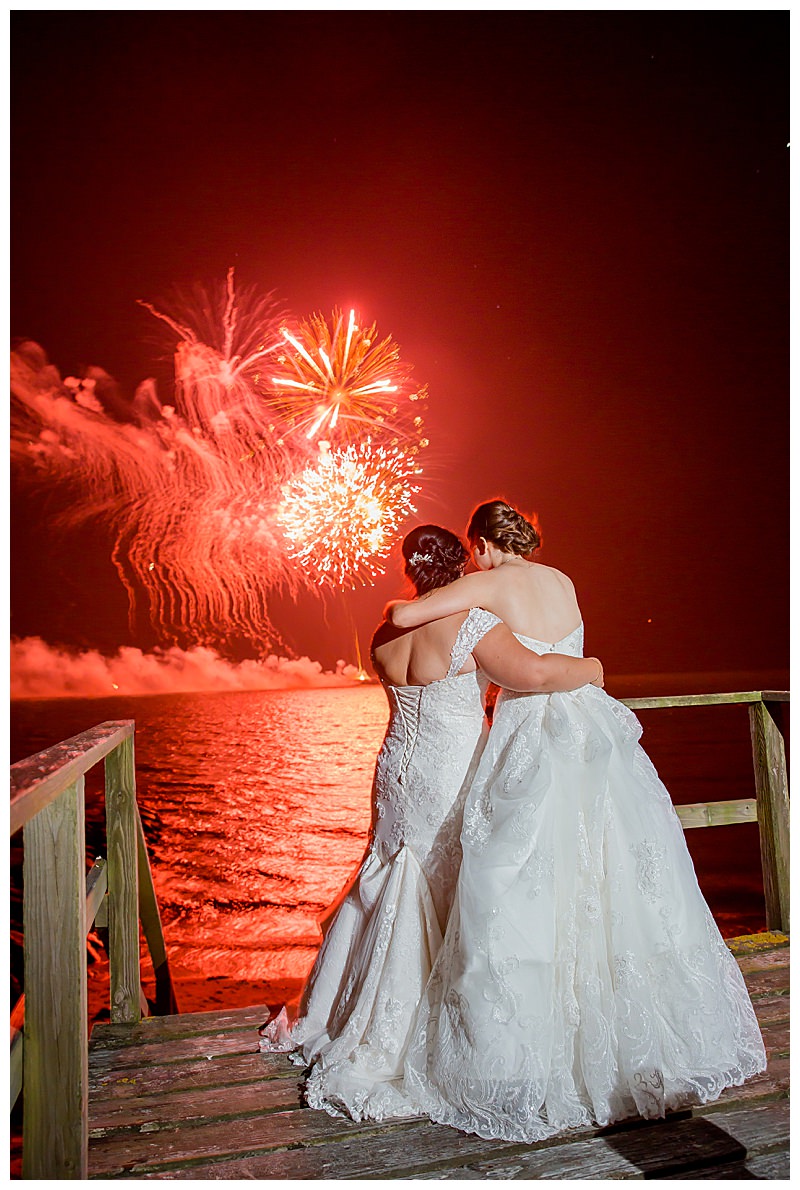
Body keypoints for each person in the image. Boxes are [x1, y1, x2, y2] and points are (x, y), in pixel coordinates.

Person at [389, 499, 766, 1142]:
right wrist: (590, 669)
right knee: (611, 874)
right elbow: (567, 651)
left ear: (480, 545)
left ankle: (526, 1053)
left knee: (520, 880)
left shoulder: (486, 582)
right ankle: (630, 1044)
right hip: (590, 729)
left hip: (531, 732)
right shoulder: (562, 580)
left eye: (470, 548)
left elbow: (404, 615)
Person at [259, 523, 604, 1123]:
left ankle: (346, 1011)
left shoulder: (384, 631)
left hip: (394, 768)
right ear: (461, 566)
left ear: (411, 570)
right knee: (449, 882)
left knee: (389, 871)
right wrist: (590, 669)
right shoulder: (471, 623)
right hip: (447, 771)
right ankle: (435, 1024)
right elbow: (536, 674)